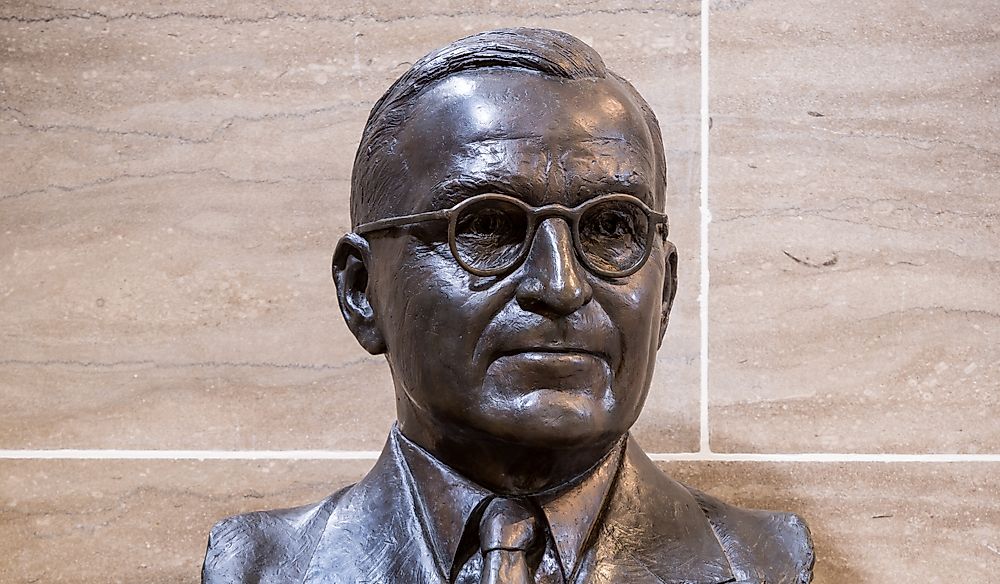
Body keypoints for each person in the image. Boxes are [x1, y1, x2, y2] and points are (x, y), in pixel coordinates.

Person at [202, 28, 814, 584]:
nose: (561, 285)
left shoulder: (763, 561)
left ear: (667, 294)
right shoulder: (260, 567)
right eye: (490, 228)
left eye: (610, 228)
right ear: (362, 291)